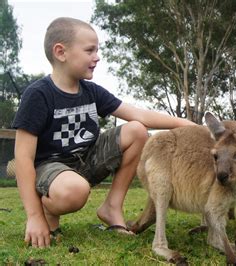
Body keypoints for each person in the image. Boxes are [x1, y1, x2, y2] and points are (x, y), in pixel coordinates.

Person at [12, 17, 195, 249]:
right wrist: (34, 216)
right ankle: (46, 210)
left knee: (137, 130)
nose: (97, 57)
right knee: (75, 190)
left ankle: (112, 208)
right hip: (51, 168)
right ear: (61, 52)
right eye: (90, 50)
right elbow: (23, 158)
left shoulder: (92, 91)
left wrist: (190, 125)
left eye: (97, 50)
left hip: (86, 161)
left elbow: (141, 116)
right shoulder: (38, 95)